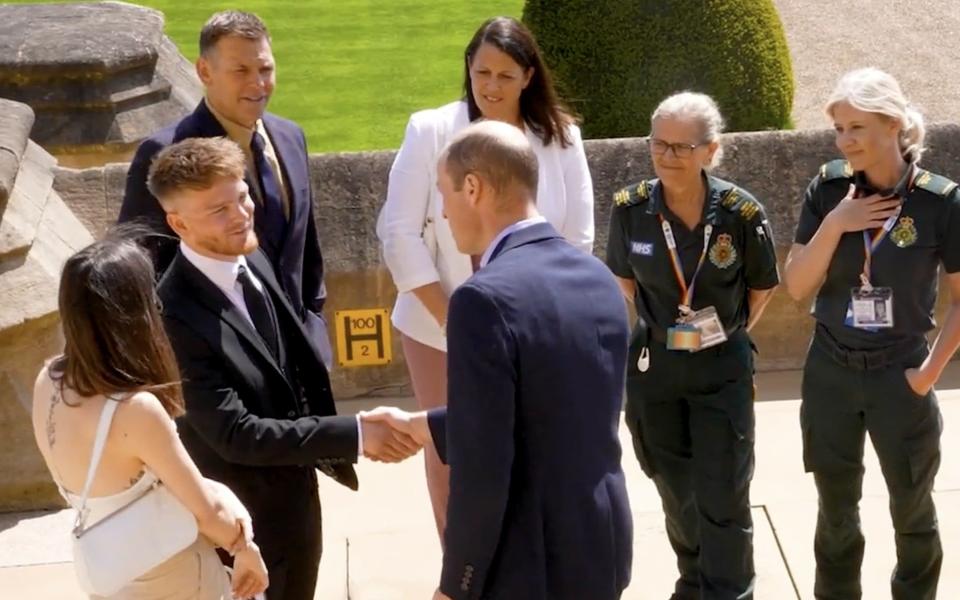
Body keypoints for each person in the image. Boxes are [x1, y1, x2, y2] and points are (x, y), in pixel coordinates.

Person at [367, 119, 632, 600]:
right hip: (601, 544)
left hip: (529, 565)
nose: (444, 214)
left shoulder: (481, 300)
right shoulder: (597, 277)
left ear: (473, 188)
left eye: (444, 195)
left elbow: (484, 467)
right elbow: (551, 413)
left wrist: (457, 585)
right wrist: (425, 425)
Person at [149, 137, 419, 600]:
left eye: (242, 196)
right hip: (238, 531)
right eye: (219, 210)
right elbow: (237, 434)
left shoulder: (250, 255)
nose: (241, 214)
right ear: (179, 223)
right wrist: (355, 434)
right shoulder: (171, 317)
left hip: (295, 505)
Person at [376, 15, 594, 541]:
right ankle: (462, 575)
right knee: (452, 454)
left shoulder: (562, 139)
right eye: (481, 73)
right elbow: (398, 233)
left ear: (528, 77)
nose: (490, 87)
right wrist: (457, 320)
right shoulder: (429, 130)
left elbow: (578, 238)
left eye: (504, 75)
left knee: (528, 447)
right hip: (437, 328)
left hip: (533, 329)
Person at [783, 67, 960, 600]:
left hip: (898, 373)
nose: (845, 140)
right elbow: (796, 286)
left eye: (856, 127)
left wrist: (927, 374)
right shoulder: (830, 187)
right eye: (839, 128)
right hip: (831, 370)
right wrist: (837, 222)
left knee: (912, 508)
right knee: (835, 511)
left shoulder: (939, 201)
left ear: (894, 124)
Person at [606, 92, 780, 600]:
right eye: (659, 143)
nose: (668, 156)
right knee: (673, 487)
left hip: (720, 366)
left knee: (723, 491)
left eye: (682, 147)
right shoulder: (631, 208)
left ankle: (730, 590)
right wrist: (671, 328)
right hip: (655, 365)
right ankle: (693, 581)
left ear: (710, 149)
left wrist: (718, 333)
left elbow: (761, 289)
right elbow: (626, 282)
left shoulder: (741, 213)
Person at [31, 235, 268, 600]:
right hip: (172, 576)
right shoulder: (135, 410)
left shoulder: (48, 379)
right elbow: (206, 512)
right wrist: (244, 549)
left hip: (109, 571)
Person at [118, 10, 333, 365]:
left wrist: (315, 324)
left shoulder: (291, 137)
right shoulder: (164, 153)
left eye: (265, 69)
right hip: (224, 359)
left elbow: (305, 247)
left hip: (303, 354)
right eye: (241, 71)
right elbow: (143, 268)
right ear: (205, 71)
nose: (258, 84)